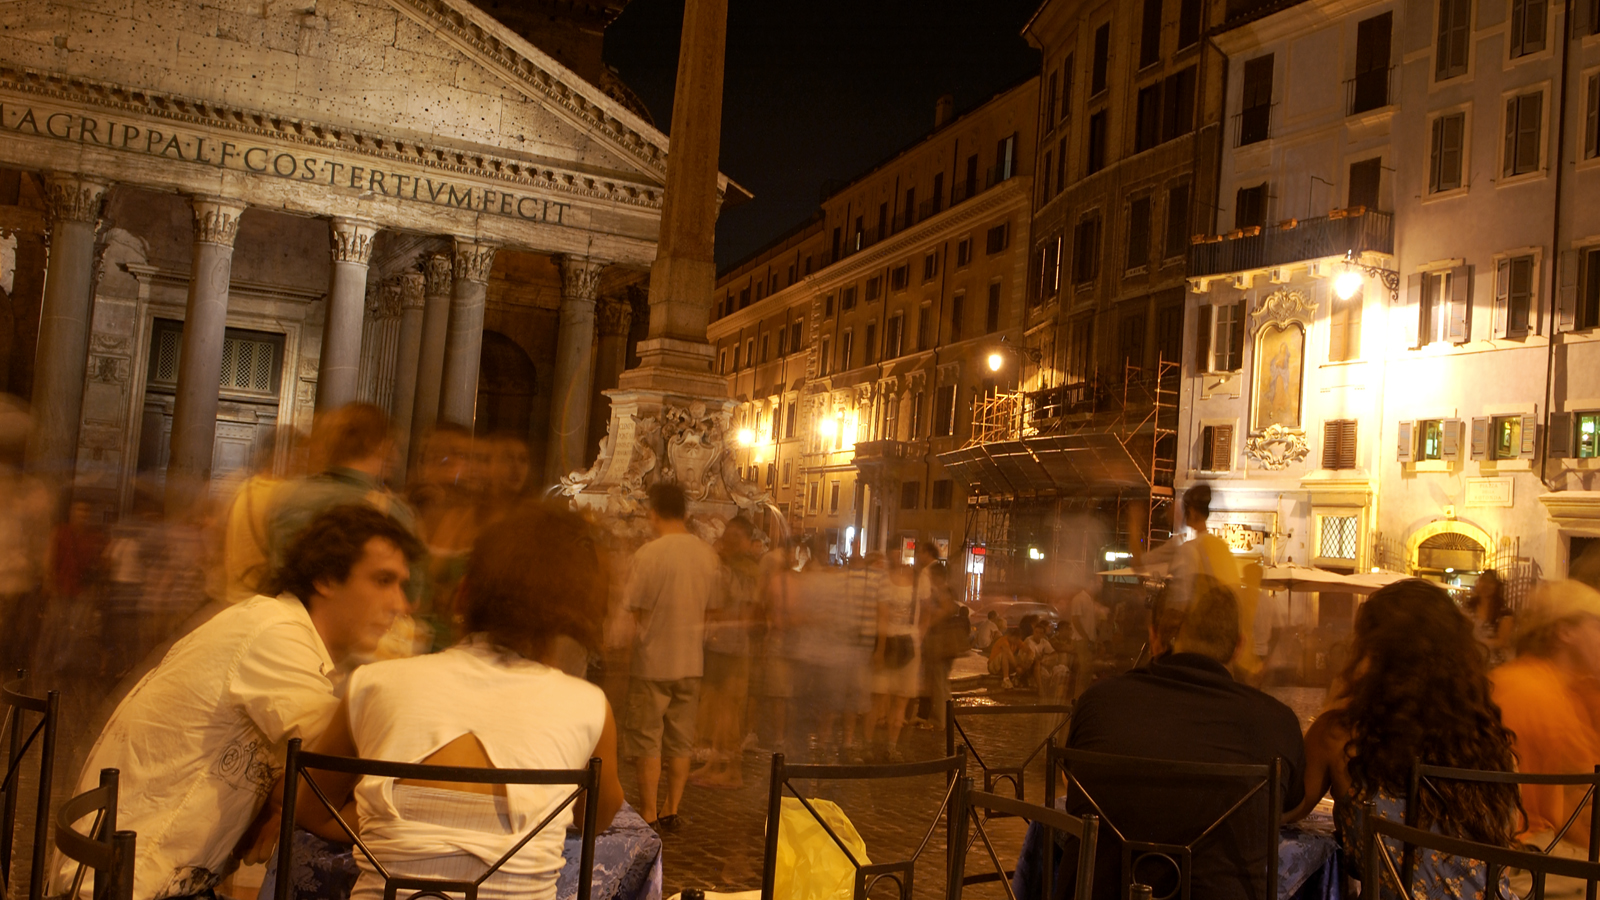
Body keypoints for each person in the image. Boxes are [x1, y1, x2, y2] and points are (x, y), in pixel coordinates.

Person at [54, 506, 424, 900]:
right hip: (128, 886)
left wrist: (282, 801)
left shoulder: (274, 625)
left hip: (135, 874)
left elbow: (308, 788)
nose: (400, 605)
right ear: (326, 578)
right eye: (383, 581)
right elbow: (340, 783)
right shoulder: (277, 638)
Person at [295, 503, 625, 900]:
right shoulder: (588, 706)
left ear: (465, 592)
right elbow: (597, 818)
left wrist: (398, 826)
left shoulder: (374, 684)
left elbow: (312, 808)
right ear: (579, 615)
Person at [1062, 576, 1304, 900]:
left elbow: (1072, 784)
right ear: (1239, 647)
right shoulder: (1277, 721)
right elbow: (1287, 806)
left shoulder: (1098, 701)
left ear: (1156, 636)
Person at [1292, 579, 1520, 899]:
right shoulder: (1488, 744)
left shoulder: (1340, 737)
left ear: (1375, 653)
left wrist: (1341, 692)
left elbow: (1284, 808)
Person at [1489, 580, 1600, 898]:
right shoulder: (1543, 697)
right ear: (1566, 632)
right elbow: (1581, 822)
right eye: (1597, 626)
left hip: (1506, 853)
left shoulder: (1515, 680)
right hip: (1527, 859)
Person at [623, 482, 721, 830]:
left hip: (653, 662)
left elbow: (636, 608)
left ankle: (648, 811)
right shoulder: (706, 555)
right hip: (691, 662)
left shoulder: (649, 555)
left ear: (653, 511)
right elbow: (713, 609)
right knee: (681, 741)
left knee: (647, 739)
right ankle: (671, 808)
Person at [693, 515, 761, 787]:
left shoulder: (746, 569)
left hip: (734, 648)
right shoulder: (729, 564)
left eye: (736, 537)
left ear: (747, 541)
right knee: (717, 707)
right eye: (727, 535)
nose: (729, 541)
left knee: (731, 709)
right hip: (721, 644)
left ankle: (733, 770)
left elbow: (741, 610)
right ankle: (713, 764)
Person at [865, 561, 919, 761]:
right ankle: (891, 747)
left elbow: (883, 619)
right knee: (899, 702)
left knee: (878, 700)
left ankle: (869, 745)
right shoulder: (916, 585)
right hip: (907, 644)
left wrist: (879, 650)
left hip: (891, 643)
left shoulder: (886, 583)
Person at [1464, 569, 1514, 666]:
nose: (1486, 585)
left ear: (1496, 586)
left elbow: (1503, 641)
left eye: (1490, 582)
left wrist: (1477, 643)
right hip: (1472, 663)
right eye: (1484, 581)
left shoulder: (1503, 613)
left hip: (1495, 665)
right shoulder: (1468, 608)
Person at [986, 618, 1034, 690]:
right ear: (1011, 636)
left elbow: (1029, 651)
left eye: (1018, 639)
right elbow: (1009, 654)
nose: (1017, 641)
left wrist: (1028, 660)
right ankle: (1006, 679)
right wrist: (1017, 667)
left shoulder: (1016, 641)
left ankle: (1019, 677)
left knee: (1025, 657)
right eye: (1015, 639)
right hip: (993, 666)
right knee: (1005, 654)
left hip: (1003, 666)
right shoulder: (1004, 641)